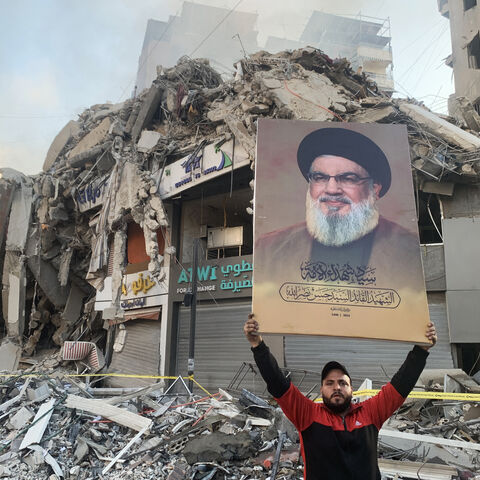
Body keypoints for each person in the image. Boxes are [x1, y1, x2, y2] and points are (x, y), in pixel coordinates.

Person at [244, 313, 437, 480]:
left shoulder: (370, 413)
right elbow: (277, 382)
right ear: (321, 390)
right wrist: (257, 345)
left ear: (352, 390)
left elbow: (400, 385)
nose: (336, 387)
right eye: (330, 383)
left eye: (343, 383)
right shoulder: (307, 414)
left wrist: (421, 350)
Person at [256, 127, 421, 288]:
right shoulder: (270, 249)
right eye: (320, 177)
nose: (332, 189)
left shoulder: (409, 249)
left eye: (348, 178)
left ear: (375, 189)